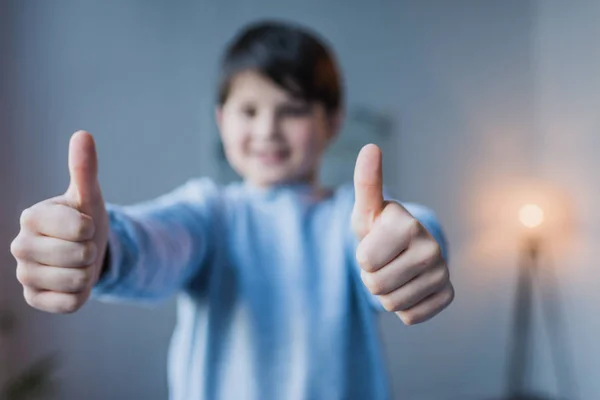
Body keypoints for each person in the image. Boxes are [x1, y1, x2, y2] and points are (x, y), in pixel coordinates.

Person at [10, 20, 454, 400]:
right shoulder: (209, 213)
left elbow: (393, 237)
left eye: (293, 110)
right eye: (249, 110)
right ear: (222, 121)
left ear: (332, 122)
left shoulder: (348, 218)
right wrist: (100, 245)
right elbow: (154, 242)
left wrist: (417, 247)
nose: (267, 130)